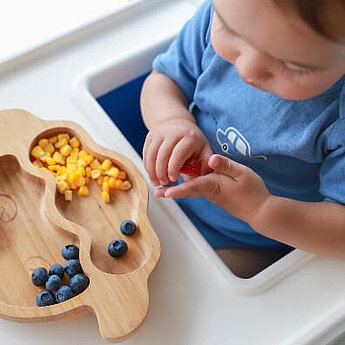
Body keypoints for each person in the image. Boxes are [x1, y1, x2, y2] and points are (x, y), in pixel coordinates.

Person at [140, 0, 345, 278]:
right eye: (230, 31)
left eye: (292, 66)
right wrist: (171, 121)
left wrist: (263, 211)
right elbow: (164, 80)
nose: (248, 69)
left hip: (249, 240)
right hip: (161, 195)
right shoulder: (225, 12)